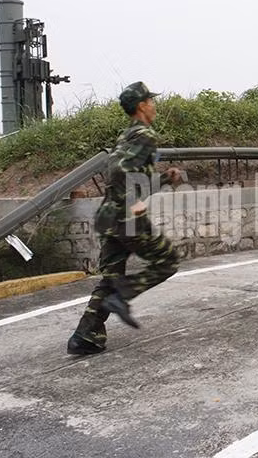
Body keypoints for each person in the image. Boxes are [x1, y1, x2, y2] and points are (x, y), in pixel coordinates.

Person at [67, 81, 183, 355]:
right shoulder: (146, 135)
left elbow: (129, 175)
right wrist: (130, 205)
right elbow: (122, 173)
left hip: (109, 217)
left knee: (109, 276)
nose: (154, 106)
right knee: (168, 261)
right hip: (127, 218)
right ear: (142, 106)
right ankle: (122, 296)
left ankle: (85, 336)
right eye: (151, 102)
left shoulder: (126, 136)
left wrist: (164, 179)